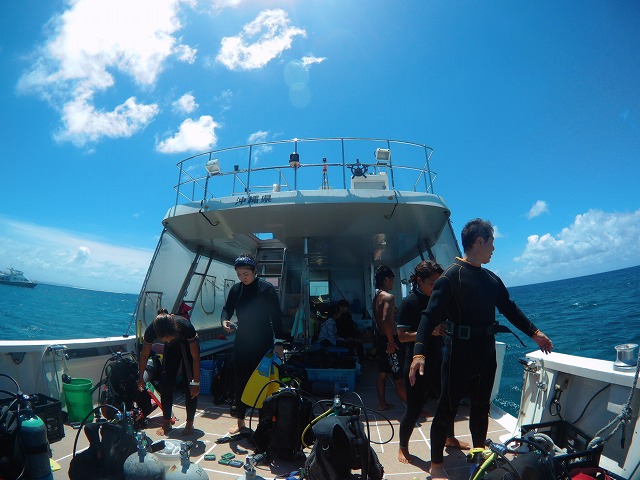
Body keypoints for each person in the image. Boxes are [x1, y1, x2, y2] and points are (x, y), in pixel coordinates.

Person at [409, 219, 553, 480]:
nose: (493, 249)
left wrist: (535, 333)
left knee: (481, 406)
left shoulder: (490, 279)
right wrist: (419, 353)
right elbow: (429, 317)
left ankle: (478, 455)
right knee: (446, 409)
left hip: (485, 352)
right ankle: (437, 464)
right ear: (479, 242)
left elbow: (509, 309)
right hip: (457, 353)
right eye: (491, 243)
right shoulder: (451, 277)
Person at [397, 260, 469, 464]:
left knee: (448, 402)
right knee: (414, 409)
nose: (436, 287)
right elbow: (402, 336)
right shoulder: (409, 303)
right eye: (432, 283)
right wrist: (431, 331)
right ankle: (403, 447)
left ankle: (449, 438)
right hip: (416, 364)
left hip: (439, 361)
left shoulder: (438, 300)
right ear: (419, 281)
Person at [221, 253, 284, 434]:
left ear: (254, 271)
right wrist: (224, 320)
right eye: (239, 274)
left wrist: (279, 342)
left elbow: (276, 316)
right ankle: (240, 421)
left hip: (263, 342)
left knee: (262, 383)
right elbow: (227, 309)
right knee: (240, 380)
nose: (243, 278)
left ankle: (263, 424)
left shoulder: (266, 289)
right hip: (242, 341)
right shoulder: (236, 289)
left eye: (246, 274)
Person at [137, 310, 201, 436]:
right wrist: (140, 378)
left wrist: (196, 382)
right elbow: (144, 355)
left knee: (190, 385)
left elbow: (195, 358)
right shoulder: (152, 330)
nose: (167, 340)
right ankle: (166, 423)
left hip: (188, 348)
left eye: (169, 338)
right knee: (165, 383)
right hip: (171, 350)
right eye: (164, 339)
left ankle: (189, 423)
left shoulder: (186, 327)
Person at [372, 265, 406, 410]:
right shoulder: (389, 297)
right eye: (392, 279)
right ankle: (414, 409)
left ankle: (382, 404)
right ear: (386, 279)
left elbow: (379, 319)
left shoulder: (376, 298)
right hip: (390, 340)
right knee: (399, 377)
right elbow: (386, 319)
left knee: (383, 374)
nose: (393, 282)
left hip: (381, 339)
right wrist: (391, 342)